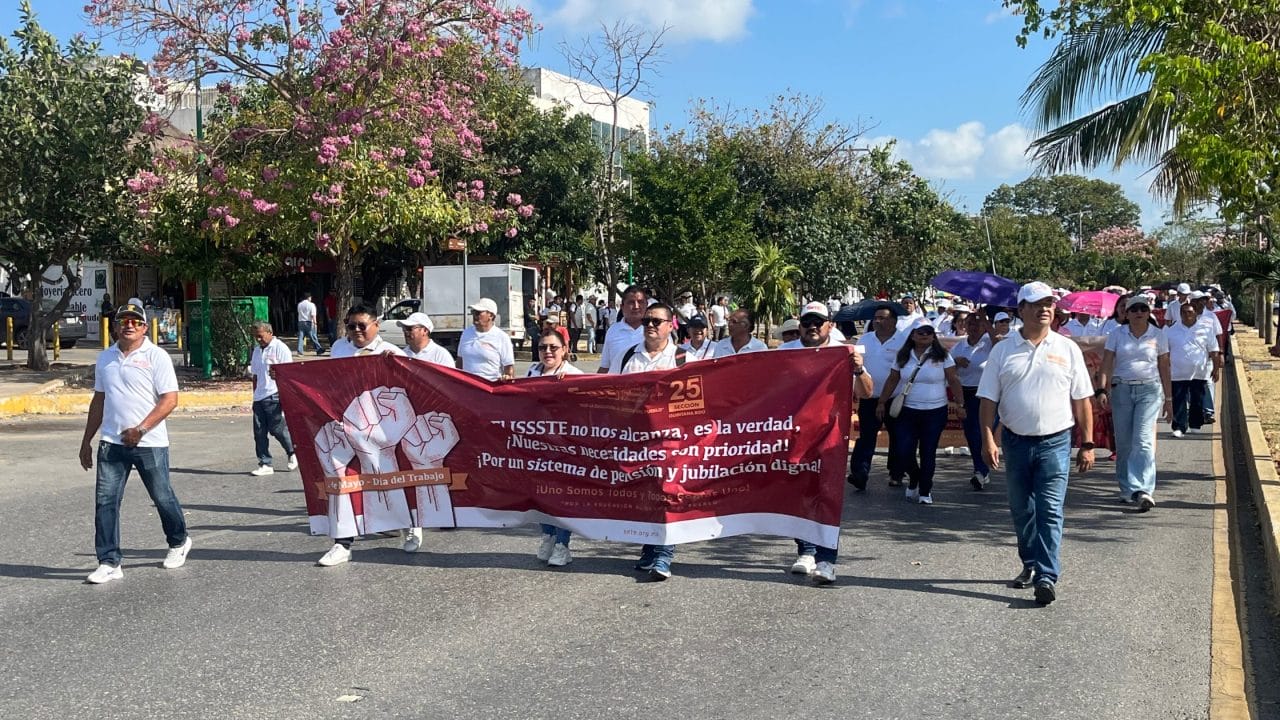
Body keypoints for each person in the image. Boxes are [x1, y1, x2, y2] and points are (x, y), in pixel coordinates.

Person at [978, 281, 1095, 606]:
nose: (1045, 308)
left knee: (1050, 510)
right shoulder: (1003, 349)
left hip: (1056, 442)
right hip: (1015, 442)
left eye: (1049, 303)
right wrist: (988, 437)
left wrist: (1087, 443)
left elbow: (1083, 400)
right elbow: (987, 400)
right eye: (1037, 303)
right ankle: (1030, 563)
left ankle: (1046, 575)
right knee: (1021, 509)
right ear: (1021, 309)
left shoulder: (1067, 348)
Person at [79, 300, 190, 584]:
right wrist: (86, 440)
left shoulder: (157, 356)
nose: (129, 325)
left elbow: (170, 400)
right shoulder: (105, 358)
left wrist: (140, 429)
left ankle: (179, 541)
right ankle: (109, 561)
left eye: (135, 322)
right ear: (115, 326)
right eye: (123, 321)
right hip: (111, 443)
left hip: (149, 442)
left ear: (144, 328)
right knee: (106, 502)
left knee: (162, 496)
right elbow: (99, 400)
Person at [775, 300, 871, 584]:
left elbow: (866, 392)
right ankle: (805, 550)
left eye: (819, 322)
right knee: (799, 494)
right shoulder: (784, 353)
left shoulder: (844, 353)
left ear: (830, 324)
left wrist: (858, 370)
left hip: (831, 436)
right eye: (807, 322)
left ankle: (827, 559)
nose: (813, 327)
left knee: (828, 495)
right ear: (800, 325)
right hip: (794, 436)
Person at [317, 305, 408, 566]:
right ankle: (342, 543)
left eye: (362, 325)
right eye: (351, 325)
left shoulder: (391, 352)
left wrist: (397, 366)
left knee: (389, 482)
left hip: (381, 432)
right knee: (342, 481)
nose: (356, 330)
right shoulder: (339, 349)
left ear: (376, 325)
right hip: (345, 427)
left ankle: (411, 523)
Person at [612, 303, 684, 579]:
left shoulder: (682, 359)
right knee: (645, 495)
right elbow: (610, 389)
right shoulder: (628, 354)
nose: (651, 325)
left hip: (671, 440)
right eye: (646, 321)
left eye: (656, 320)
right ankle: (650, 549)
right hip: (636, 438)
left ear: (670, 325)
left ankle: (665, 554)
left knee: (667, 494)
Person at [1097, 295, 1172, 511]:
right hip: (1122, 390)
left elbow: (1165, 367)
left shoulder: (1158, 335)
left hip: (1149, 389)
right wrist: (1102, 389)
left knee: (1143, 439)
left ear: (1149, 313)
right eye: (1134, 309)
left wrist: (1168, 399)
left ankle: (1143, 489)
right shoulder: (1116, 334)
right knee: (1124, 442)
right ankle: (1127, 488)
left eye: (1143, 309)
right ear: (1126, 313)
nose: (1139, 312)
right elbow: (1107, 363)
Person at [876, 323, 964, 504]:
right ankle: (915, 477)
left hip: (935, 411)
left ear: (933, 336)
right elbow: (892, 379)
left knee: (928, 452)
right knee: (903, 450)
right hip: (908, 410)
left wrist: (961, 403)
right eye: (920, 332)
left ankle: (925, 490)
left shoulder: (943, 356)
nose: (924, 335)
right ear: (913, 336)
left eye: (929, 332)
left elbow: (953, 380)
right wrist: (882, 402)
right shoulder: (903, 356)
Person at [525, 328, 584, 567]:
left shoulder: (573, 375)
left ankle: (562, 544)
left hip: (563, 447)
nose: (547, 352)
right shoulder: (531, 372)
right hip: (535, 444)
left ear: (565, 350)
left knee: (561, 497)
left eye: (553, 347)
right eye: (542, 347)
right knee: (541, 495)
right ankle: (548, 536)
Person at [848, 304, 907, 490]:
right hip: (869, 396)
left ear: (893, 321)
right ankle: (860, 473)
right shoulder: (865, 339)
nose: (877, 322)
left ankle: (896, 473)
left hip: (895, 398)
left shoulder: (904, 340)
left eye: (882, 318)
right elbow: (856, 365)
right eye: (875, 318)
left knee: (898, 437)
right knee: (866, 437)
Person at [248, 321, 297, 477]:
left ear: (270, 332)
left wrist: (286, 396)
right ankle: (265, 463)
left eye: (261, 336)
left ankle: (292, 452)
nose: (259, 340)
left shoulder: (280, 348)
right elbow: (255, 375)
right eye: (256, 337)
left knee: (276, 428)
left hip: (275, 394)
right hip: (259, 396)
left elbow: (289, 373)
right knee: (259, 431)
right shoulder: (256, 351)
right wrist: (254, 394)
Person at [1166, 301, 1221, 437]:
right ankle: (1179, 426)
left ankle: (1195, 423)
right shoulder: (1170, 330)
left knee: (1197, 399)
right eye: (1183, 312)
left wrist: (1216, 368)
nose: (1186, 315)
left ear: (1196, 313)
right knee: (1179, 400)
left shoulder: (1205, 329)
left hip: (1199, 372)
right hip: (1177, 373)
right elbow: (1164, 353)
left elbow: (1214, 350)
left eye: (1189, 312)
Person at [951, 312, 993, 489]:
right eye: (970, 324)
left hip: (985, 394)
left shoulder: (989, 343)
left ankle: (982, 469)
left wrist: (985, 320)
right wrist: (956, 361)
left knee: (982, 432)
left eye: (978, 324)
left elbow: (999, 341)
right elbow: (947, 368)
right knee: (971, 433)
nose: (974, 328)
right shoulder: (959, 346)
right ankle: (980, 469)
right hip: (966, 393)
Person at [457, 298, 515, 382]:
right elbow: (460, 362)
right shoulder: (466, 333)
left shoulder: (502, 337)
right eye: (473, 312)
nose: (475, 316)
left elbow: (509, 368)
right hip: (467, 388)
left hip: (489, 388)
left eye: (478, 313)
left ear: (491, 316)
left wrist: (507, 379)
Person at [598, 285, 648, 373]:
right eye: (631, 302)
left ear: (646, 305)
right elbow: (605, 368)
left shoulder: (657, 330)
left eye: (640, 302)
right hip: (618, 386)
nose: (636, 306)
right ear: (622, 306)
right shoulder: (613, 331)